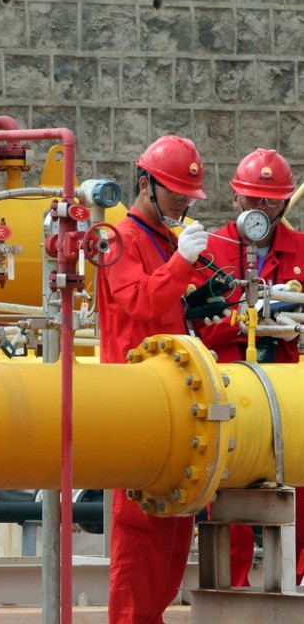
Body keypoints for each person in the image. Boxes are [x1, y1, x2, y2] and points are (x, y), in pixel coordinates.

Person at [97, 134, 208, 624]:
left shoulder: (164, 239)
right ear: (145, 184)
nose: (183, 202)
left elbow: (172, 306)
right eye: (177, 193)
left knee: (174, 528)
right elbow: (139, 300)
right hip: (137, 399)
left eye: (188, 196)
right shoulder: (120, 239)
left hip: (172, 399)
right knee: (140, 529)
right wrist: (182, 263)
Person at [191, 148, 304, 587]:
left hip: (288, 388)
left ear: (285, 202)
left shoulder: (300, 250)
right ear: (234, 196)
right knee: (228, 490)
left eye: (272, 201)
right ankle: (230, 588)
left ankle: (298, 583)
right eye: (253, 198)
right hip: (230, 387)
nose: (262, 208)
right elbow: (196, 322)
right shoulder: (210, 249)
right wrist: (243, 320)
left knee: (299, 489)